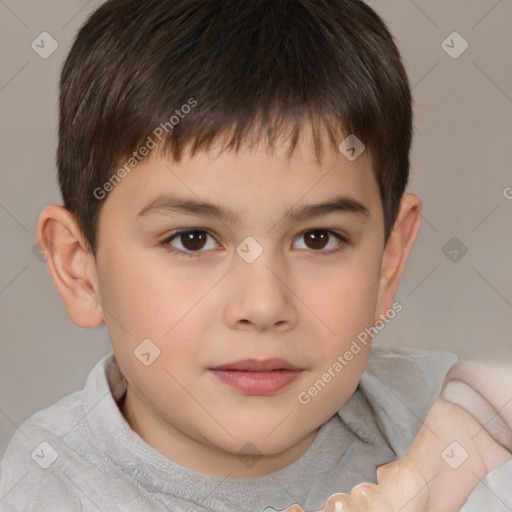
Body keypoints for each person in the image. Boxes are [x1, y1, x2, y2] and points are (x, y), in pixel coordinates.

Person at [0, 0, 510, 510]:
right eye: (192, 239)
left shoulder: (444, 416)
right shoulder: (44, 490)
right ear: (80, 270)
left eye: (318, 238)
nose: (264, 306)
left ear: (388, 262)